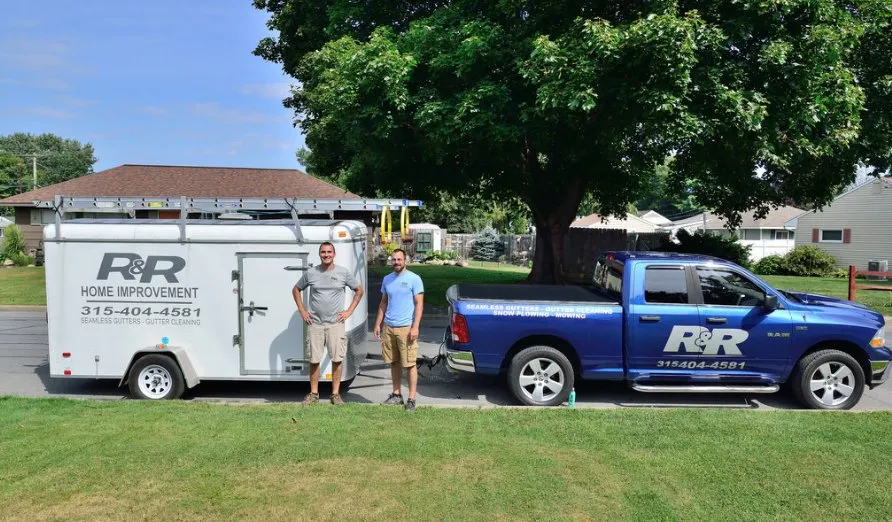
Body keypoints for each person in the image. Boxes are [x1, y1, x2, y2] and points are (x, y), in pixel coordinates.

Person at [293, 242, 364, 405]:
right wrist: (303, 311)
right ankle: (314, 394)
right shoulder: (311, 273)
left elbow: (359, 290)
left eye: (329, 252)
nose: (326, 254)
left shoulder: (343, 273)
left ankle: (335, 394)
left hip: (335, 324)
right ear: (319, 254)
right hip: (315, 324)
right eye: (323, 252)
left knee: (337, 359)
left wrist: (349, 311)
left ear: (334, 254)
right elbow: (296, 289)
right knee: (314, 360)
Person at [374, 248, 424, 413]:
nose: (396, 262)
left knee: (409, 364)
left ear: (405, 260)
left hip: (406, 328)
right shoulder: (387, 279)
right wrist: (377, 324)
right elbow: (383, 302)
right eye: (393, 260)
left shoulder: (414, 279)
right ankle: (396, 395)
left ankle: (411, 399)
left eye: (399, 259)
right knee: (394, 362)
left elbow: (419, 304)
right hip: (389, 327)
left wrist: (415, 326)